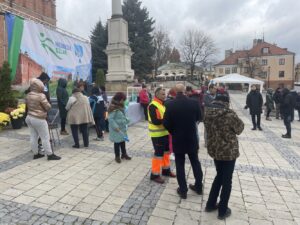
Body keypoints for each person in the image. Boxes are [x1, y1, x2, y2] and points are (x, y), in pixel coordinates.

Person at [204, 89, 244, 220]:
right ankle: (222, 210)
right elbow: (240, 129)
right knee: (227, 181)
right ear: (226, 102)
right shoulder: (229, 114)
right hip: (228, 153)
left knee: (219, 176)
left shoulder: (207, 112)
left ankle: (210, 204)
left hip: (215, 150)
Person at [163, 84, 203, 199]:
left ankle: (183, 190)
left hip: (178, 138)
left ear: (175, 91)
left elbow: (166, 123)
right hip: (191, 137)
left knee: (180, 164)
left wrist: (174, 131)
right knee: (195, 161)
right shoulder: (194, 103)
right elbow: (199, 117)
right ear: (185, 91)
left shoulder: (170, 104)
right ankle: (199, 187)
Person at [25, 78, 61, 160]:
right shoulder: (41, 95)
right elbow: (48, 107)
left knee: (33, 136)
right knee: (45, 137)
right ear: (39, 86)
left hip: (29, 117)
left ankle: (36, 154)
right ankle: (50, 154)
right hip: (39, 118)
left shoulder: (28, 95)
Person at [148, 87, 176, 184]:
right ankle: (154, 175)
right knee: (158, 155)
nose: (165, 96)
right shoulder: (153, 105)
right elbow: (155, 121)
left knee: (166, 153)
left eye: (165, 94)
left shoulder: (162, 105)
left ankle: (166, 170)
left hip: (164, 133)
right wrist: (168, 120)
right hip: (157, 135)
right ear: (157, 95)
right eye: (163, 94)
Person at [108, 92, 131, 163]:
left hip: (122, 128)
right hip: (116, 129)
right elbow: (110, 119)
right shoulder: (113, 107)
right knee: (117, 143)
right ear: (120, 99)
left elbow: (122, 116)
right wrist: (116, 127)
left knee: (122, 141)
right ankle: (117, 156)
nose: (124, 101)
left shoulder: (120, 106)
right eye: (123, 100)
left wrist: (126, 120)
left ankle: (124, 154)